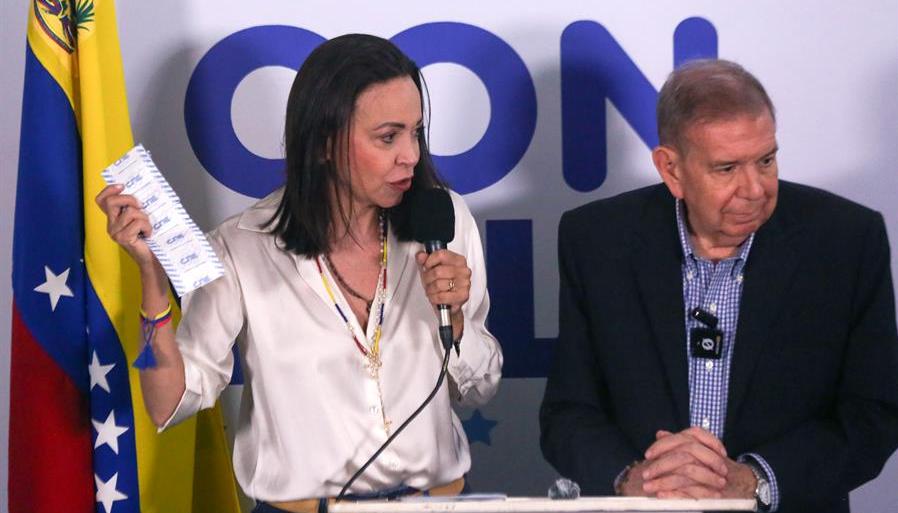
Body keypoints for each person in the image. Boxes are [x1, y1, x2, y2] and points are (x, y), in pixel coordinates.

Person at [96, 34, 502, 513]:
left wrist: (453, 319)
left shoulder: (445, 222)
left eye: (416, 132)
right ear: (324, 143)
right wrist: (152, 279)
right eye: (388, 137)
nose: (410, 155)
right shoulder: (243, 246)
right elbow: (169, 404)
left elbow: (481, 388)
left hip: (441, 503)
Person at [539, 59, 898, 512]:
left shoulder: (846, 241)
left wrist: (753, 480)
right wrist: (637, 480)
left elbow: (873, 414)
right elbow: (568, 414)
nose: (755, 189)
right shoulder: (597, 242)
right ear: (671, 169)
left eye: (766, 160)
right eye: (727, 169)